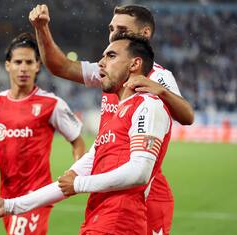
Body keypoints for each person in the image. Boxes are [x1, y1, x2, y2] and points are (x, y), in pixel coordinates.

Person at [0, 33, 172, 235]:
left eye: (111, 56)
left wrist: (79, 184)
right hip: (96, 221)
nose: (101, 63)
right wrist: (10, 206)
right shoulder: (113, 118)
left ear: (134, 64)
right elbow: (66, 184)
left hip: (119, 225)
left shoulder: (147, 106)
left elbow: (139, 172)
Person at [28, 4, 194, 234]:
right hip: (110, 185)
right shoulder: (108, 71)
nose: (114, 33)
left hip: (144, 190)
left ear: (145, 33)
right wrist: (42, 28)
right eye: (111, 28)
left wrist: (159, 89)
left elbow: (187, 116)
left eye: (122, 29)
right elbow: (61, 66)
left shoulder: (157, 75)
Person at [0, 32, 85, 235]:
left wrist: (75, 172)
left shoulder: (51, 104)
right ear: (8, 65)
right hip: (6, 195)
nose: (23, 67)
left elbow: (77, 141)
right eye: (17, 62)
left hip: (37, 194)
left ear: (37, 66)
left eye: (28, 62)